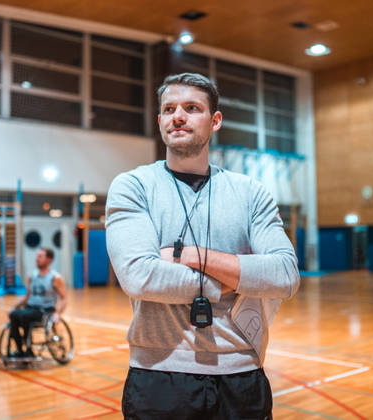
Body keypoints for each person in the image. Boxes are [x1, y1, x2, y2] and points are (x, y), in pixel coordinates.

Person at [106, 73, 300, 419]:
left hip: (242, 372)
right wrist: (237, 279)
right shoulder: (132, 186)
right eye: (169, 109)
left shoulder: (250, 193)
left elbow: (285, 275)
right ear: (160, 120)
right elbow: (139, 276)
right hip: (158, 376)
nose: (177, 116)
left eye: (191, 108)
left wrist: (186, 256)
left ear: (215, 121)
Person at [9, 247, 67, 358]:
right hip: (30, 308)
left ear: (49, 260)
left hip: (44, 311)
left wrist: (58, 313)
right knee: (14, 315)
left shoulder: (55, 278)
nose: (37, 259)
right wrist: (15, 307)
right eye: (37, 256)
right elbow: (27, 297)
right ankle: (21, 350)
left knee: (25, 316)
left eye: (40, 256)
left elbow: (64, 299)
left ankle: (28, 348)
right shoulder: (32, 276)